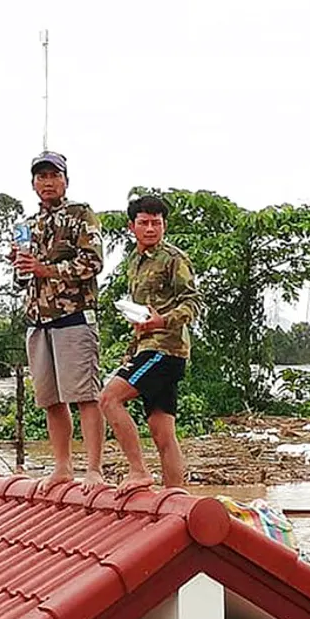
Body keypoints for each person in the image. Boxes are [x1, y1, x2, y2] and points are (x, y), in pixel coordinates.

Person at [11, 151, 106, 492]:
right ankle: (62, 467)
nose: (47, 182)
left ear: (66, 180)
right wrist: (20, 265)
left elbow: (93, 263)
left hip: (73, 316)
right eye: (41, 176)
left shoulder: (81, 215)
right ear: (33, 183)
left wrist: (46, 269)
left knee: (85, 395)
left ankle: (94, 469)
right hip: (37, 320)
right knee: (50, 399)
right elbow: (21, 281)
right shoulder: (27, 224)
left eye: (54, 175)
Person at [98, 195, 204, 495]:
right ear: (132, 226)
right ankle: (176, 498)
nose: (150, 228)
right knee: (162, 433)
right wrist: (131, 348)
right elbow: (141, 313)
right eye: (143, 222)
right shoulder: (134, 262)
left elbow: (194, 302)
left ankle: (138, 471)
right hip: (146, 348)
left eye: (156, 223)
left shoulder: (174, 258)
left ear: (164, 225)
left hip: (165, 350)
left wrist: (163, 321)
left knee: (109, 399)